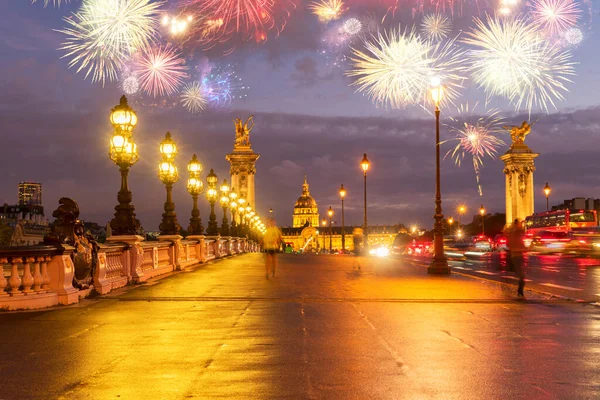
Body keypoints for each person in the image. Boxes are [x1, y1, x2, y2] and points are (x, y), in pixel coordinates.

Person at [507, 218, 527, 298]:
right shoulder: (514, 234)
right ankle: (520, 292)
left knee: (521, 275)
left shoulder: (517, 234)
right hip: (516, 256)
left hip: (519, 256)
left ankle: (520, 291)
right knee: (521, 276)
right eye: (519, 224)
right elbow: (510, 244)